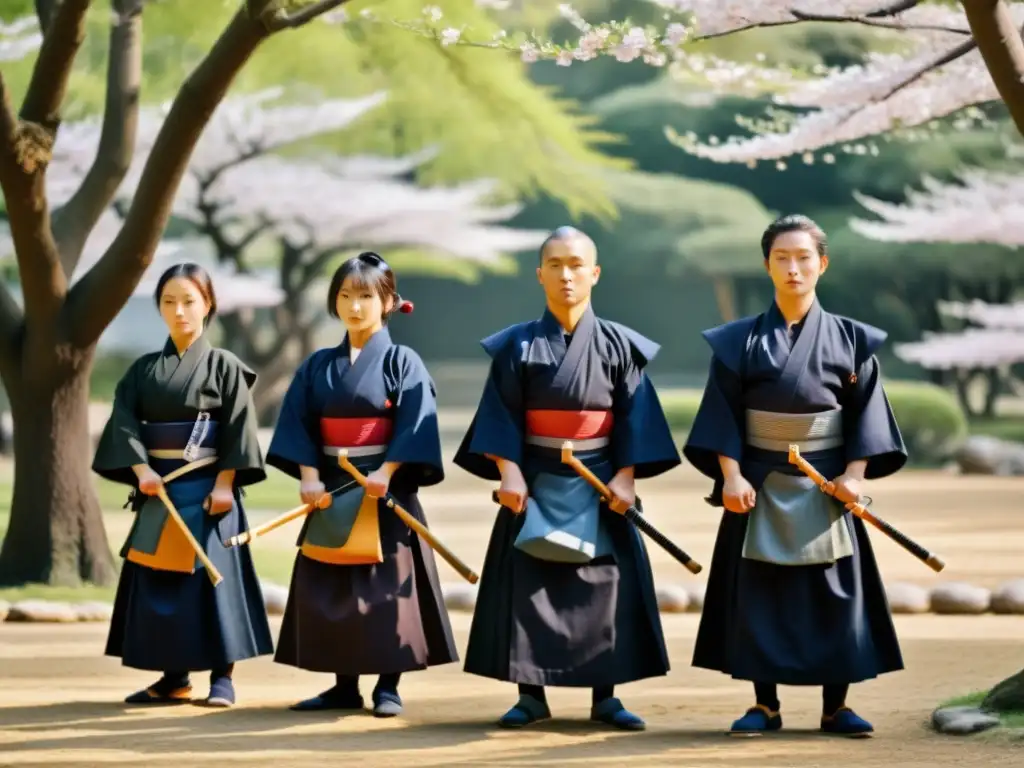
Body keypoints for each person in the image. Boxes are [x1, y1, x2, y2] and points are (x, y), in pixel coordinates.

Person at [683, 214, 908, 737]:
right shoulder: (736, 342)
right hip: (758, 482)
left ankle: (836, 708)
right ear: (767, 266)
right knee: (762, 593)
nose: (793, 268)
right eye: (781, 258)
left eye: (804, 257)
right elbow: (721, 414)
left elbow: (866, 413)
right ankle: (765, 705)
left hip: (828, 483)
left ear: (821, 264)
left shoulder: (854, 341)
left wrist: (855, 474)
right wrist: (731, 477)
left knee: (833, 594)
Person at [454, 226, 680, 731]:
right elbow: (500, 416)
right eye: (555, 265)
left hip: (601, 483)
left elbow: (635, 417)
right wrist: (508, 473)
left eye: (576, 265)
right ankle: (531, 695)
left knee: (603, 588)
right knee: (529, 585)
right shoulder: (516, 345)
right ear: (540, 275)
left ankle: (606, 697)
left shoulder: (622, 346)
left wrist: (626, 478)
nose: (566, 275)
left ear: (594, 273)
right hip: (533, 480)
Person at [268, 251, 457, 718]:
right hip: (333, 487)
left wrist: (388, 473)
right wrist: (309, 478)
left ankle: (387, 686)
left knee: (389, 586)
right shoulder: (317, 366)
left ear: (389, 301)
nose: (355, 306)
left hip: (384, 489)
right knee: (336, 583)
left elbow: (416, 423)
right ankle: (343, 685)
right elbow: (298, 423)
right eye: (346, 296)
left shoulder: (403, 361)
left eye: (366, 296)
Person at [93, 262, 273, 708]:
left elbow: (238, 429)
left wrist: (227, 484)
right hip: (160, 490)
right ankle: (173, 678)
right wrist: (142, 472)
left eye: (189, 301)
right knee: (162, 584)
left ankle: (222, 679)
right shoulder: (143, 370)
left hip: (212, 494)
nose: (179, 312)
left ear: (208, 305)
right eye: (169, 302)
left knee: (213, 587)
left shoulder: (225, 366)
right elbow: (124, 424)